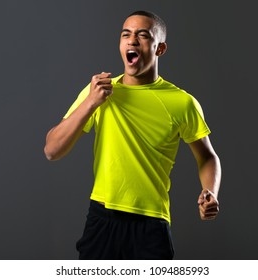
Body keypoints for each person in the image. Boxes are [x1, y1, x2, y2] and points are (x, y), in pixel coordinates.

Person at [44, 10, 221, 260]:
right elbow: (52, 150)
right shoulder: (99, 91)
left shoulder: (183, 103)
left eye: (143, 35)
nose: (132, 40)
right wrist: (90, 103)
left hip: (151, 224)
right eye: (126, 34)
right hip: (102, 218)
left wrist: (210, 191)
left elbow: (207, 157)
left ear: (160, 49)